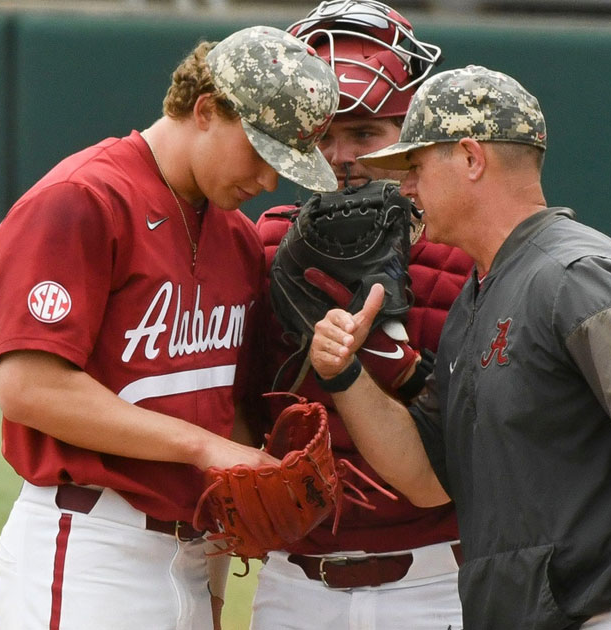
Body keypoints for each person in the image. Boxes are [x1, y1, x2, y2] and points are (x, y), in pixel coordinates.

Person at [309, 65, 611, 630]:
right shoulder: (477, 297)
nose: (405, 187)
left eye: (417, 165)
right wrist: (344, 374)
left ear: (471, 158)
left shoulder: (580, 274)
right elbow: (427, 478)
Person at [0, 26, 340, 630]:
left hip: (194, 557)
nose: (270, 182)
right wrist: (204, 448)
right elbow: (30, 389)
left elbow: (216, 411)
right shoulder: (84, 199)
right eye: (261, 152)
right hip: (92, 545)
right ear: (206, 110)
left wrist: (218, 580)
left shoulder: (233, 239)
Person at [250, 2, 472, 629]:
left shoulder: (468, 256)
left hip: (441, 582)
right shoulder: (262, 247)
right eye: (321, 136)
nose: (339, 156)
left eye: (365, 133)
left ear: (411, 135)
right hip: (294, 585)